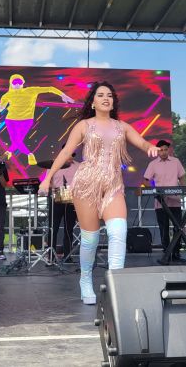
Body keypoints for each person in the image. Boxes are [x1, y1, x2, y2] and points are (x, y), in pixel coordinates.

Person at [39, 82, 158, 305]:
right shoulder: (84, 125)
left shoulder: (122, 126)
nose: (106, 98)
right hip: (87, 184)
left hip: (113, 185)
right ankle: (85, 279)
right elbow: (65, 152)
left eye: (109, 95)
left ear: (113, 102)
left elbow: (142, 142)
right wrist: (47, 178)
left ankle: (116, 284)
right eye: (100, 95)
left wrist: (150, 146)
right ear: (92, 102)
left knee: (118, 231)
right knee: (90, 239)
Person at [0, 73, 74, 165]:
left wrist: (63, 95)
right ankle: (28, 154)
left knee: (17, 140)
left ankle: (10, 153)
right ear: (11, 83)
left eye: (19, 81)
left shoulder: (31, 90)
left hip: (26, 120)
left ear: (23, 82)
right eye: (14, 82)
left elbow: (50, 88)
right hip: (11, 120)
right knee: (15, 140)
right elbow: (1, 106)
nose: (17, 84)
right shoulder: (7, 95)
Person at [142, 139, 186, 262]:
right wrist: (154, 191)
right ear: (158, 151)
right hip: (160, 202)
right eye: (161, 150)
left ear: (169, 150)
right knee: (164, 228)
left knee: (178, 228)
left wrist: (184, 190)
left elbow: (182, 177)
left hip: (175, 200)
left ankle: (176, 253)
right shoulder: (153, 164)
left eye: (165, 150)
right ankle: (167, 253)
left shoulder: (176, 161)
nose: (163, 152)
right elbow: (145, 180)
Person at [50, 145, 80, 260]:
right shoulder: (54, 165)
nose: (71, 156)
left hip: (72, 199)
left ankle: (68, 256)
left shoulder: (78, 166)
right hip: (57, 197)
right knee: (53, 228)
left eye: (73, 153)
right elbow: (49, 182)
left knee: (69, 229)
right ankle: (51, 256)